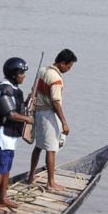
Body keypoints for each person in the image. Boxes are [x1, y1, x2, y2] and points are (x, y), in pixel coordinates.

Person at [0, 57, 35, 212]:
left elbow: (17, 108)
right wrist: (28, 118)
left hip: (10, 136)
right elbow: (10, 113)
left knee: (6, 169)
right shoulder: (4, 89)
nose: (24, 76)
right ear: (14, 74)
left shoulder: (12, 88)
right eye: (22, 73)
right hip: (2, 136)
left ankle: (3, 198)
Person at [29, 49, 77, 191]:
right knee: (51, 149)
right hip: (48, 114)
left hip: (38, 112)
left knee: (38, 146)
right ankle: (51, 183)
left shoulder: (43, 71)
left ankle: (31, 176)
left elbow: (34, 90)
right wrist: (64, 123)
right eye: (68, 67)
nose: (68, 70)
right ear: (62, 63)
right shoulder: (56, 78)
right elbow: (56, 102)